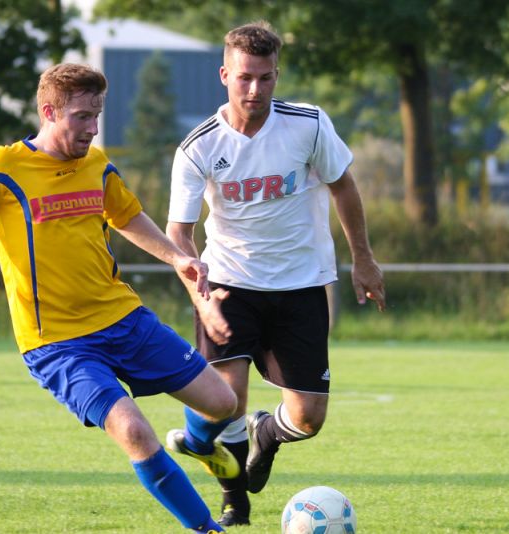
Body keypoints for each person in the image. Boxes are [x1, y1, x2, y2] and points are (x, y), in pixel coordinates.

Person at [0, 63, 240, 533]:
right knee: (133, 430)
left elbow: (126, 216)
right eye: (82, 116)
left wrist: (177, 258)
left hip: (124, 318)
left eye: (97, 116)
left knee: (223, 402)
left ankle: (196, 443)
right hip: (58, 343)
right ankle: (207, 529)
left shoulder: (96, 165)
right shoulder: (2, 166)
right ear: (49, 112)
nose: (92, 128)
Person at [164, 21, 385, 527]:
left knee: (308, 419)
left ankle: (266, 434)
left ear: (276, 76)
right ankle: (234, 499)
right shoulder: (198, 147)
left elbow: (343, 186)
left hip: (301, 283)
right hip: (229, 284)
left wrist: (364, 259)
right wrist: (201, 297)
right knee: (227, 400)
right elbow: (179, 234)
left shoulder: (308, 125)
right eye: (245, 77)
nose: (255, 89)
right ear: (225, 75)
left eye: (265, 78)